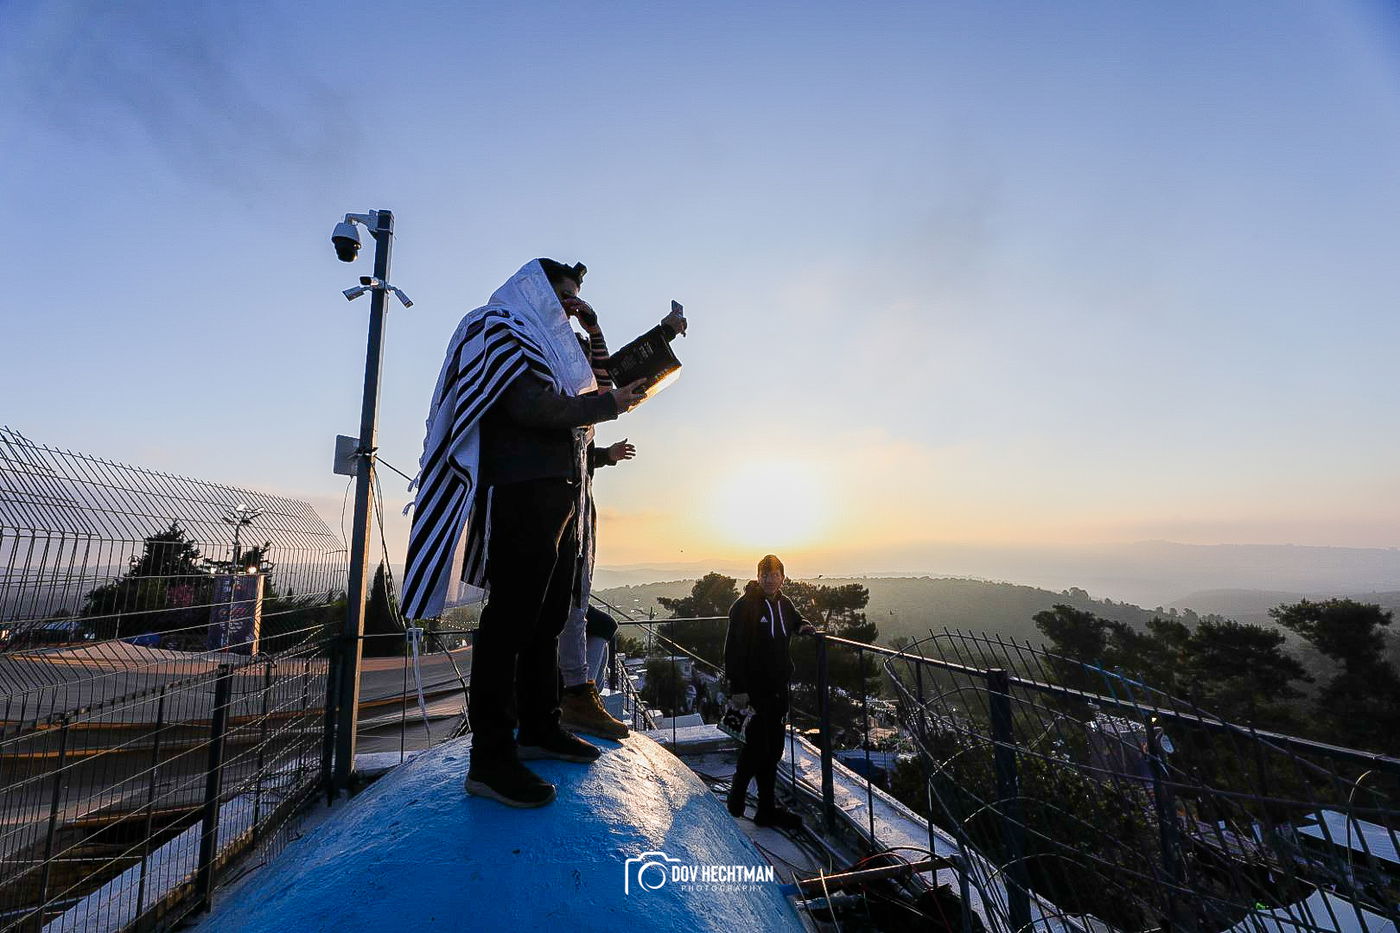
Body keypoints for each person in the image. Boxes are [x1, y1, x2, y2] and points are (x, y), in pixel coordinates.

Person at [401, 258, 647, 808]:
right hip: (517, 493)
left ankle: (540, 727)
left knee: (549, 617)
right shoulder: (498, 326)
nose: (568, 309)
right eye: (562, 296)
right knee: (510, 622)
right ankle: (490, 759)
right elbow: (531, 405)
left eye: (574, 300)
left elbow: (591, 390)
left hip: (558, 495)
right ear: (533, 289)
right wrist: (609, 405)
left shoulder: (550, 345)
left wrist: (595, 330)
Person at [557, 299, 686, 739]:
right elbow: (606, 381)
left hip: (568, 509)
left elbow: (616, 369)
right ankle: (571, 694)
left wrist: (664, 332)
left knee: (588, 619)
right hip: (551, 517)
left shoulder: (573, 389)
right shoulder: (551, 378)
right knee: (564, 613)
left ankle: (575, 692)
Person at [723, 554, 816, 829]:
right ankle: (737, 795)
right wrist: (737, 689)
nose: (770, 579)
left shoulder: (784, 603)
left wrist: (802, 626)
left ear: (782, 578)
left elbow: (795, 618)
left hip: (778, 687)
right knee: (756, 746)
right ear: (758, 576)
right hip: (753, 689)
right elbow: (733, 650)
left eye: (775, 575)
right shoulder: (744, 606)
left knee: (773, 749)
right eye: (765, 574)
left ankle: (766, 809)